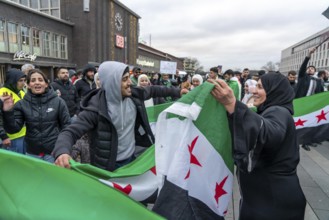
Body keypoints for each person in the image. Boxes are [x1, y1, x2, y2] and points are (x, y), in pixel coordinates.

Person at [52, 61, 188, 171]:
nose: (130, 83)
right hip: (108, 168)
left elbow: (153, 90)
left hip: (134, 160)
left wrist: (179, 91)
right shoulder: (94, 109)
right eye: (124, 80)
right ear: (112, 83)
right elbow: (70, 132)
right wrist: (62, 152)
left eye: (129, 78)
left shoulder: (133, 94)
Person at [209, 72, 306, 219]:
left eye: (260, 87)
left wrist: (232, 104)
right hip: (268, 198)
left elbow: (268, 135)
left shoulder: (278, 111)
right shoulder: (274, 110)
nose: (253, 91)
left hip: (272, 202)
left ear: (275, 90)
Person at [1, 69, 70, 163]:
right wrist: (8, 111)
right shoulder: (22, 104)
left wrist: (63, 148)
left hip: (53, 152)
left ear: (46, 84)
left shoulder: (58, 102)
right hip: (32, 152)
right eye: (33, 80)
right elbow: (13, 129)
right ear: (28, 85)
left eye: (40, 80)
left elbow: (66, 126)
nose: (37, 83)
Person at [0, 69, 26, 153]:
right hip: (11, 137)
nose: (23, 83)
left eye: (24, 80)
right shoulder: (3, 93)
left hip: (24, 134)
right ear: (12, 81)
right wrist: (3, 136)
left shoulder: (21, 93)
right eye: (20, 80)